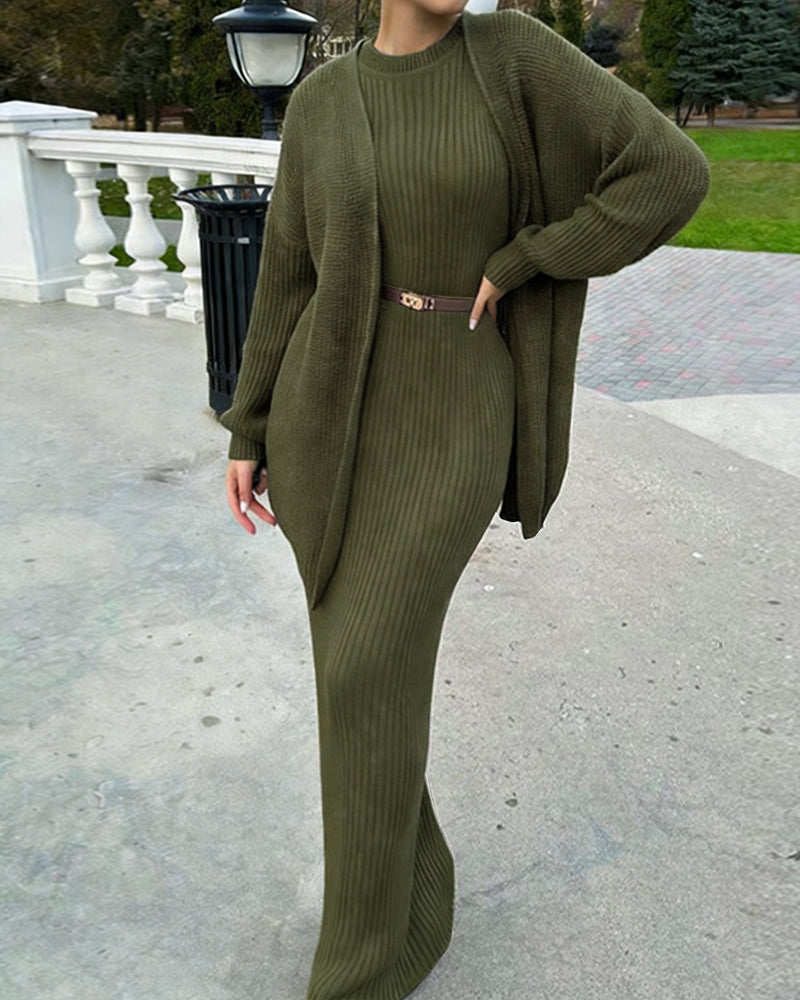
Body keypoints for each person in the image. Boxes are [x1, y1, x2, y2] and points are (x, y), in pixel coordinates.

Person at [220, 2, 710, 997]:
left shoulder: (511, 54)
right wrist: (249, 425)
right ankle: (407, 890)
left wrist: (530, 255)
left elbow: (670, 173)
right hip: (326, 416)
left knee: (364, 665)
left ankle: (357, 971)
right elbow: (287, 273)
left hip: (456, 406)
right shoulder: (323, 101)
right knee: (359, 680)